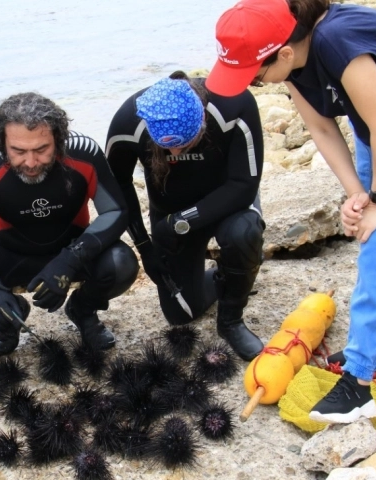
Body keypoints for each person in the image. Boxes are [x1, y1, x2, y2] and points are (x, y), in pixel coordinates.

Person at [206, 0, 376, 423]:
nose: (254, 82)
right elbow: (323, 127)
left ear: (284, 53)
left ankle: (359, 385)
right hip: (375, 134)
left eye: (255, 74)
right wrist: (356, 196)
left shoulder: (338, 41)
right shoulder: (290, 59)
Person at [0, 92, 138, 357]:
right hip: (9, 251)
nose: (31, 163)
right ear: (1, 143)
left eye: (42, 149)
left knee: (122, 264)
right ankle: (10, 315)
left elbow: (115, 211)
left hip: (73, 246)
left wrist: (71, 260)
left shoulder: (84, 155)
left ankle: (83, 309)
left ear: (58, 139)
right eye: (18, 151)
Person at [106, 72, 265, 361]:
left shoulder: (233, 105)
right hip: (168, 211)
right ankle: (228, 276)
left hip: (229, 202)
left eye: (185, 142)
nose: (175, 152)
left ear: (202, 119)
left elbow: (244, 186)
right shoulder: (128, 121)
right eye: (165, 146)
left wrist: (180, 222)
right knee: (180, 314)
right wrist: (145, 248)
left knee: (243, 234)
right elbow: (117, 185)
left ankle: (231, 321)